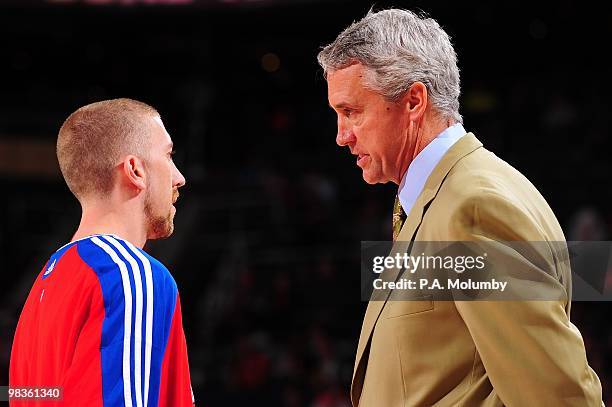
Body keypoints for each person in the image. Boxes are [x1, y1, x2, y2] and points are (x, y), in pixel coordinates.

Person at [318, 9, 603, 406]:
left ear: (414, 100)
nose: (341, 136)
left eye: (351, 112)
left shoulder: (474, 206)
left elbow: (557, 397)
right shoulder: (449, 196)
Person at [9, 98, 194, 406]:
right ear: (135, 169)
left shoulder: (43, 286)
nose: (179, 177)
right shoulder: (128, 275)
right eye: (169, 155)